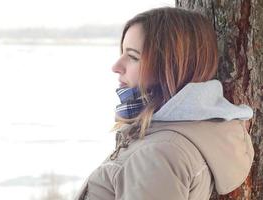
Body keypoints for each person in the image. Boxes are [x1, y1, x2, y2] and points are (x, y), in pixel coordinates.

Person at [75, 7, 254, 200]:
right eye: (122, 53)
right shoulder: (189, 132)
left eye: (133, 57)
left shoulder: (157, 155)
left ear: (171, 66)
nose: (116, 66)